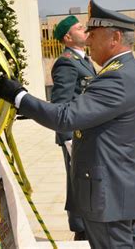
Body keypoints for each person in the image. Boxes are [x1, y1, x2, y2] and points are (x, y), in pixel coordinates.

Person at [0, 0, 135, 248]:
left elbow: (64, 116)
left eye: (94, 34)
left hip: (108, 192)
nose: (88, 40)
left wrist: (19, 96)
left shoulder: (117, 78)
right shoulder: (124, 69)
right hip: (116, 188)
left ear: (115, 38)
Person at [50, 15, 96, 240]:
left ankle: (87, 226)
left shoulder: (84, 60)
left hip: (87, 133)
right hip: (75, 135)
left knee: (86, 181)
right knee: (79, 181)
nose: (84, 29)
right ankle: (81, 231)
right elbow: (60, 104)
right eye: (79, 28)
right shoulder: (66, 62)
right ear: (68, 37)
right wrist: (67, 138)